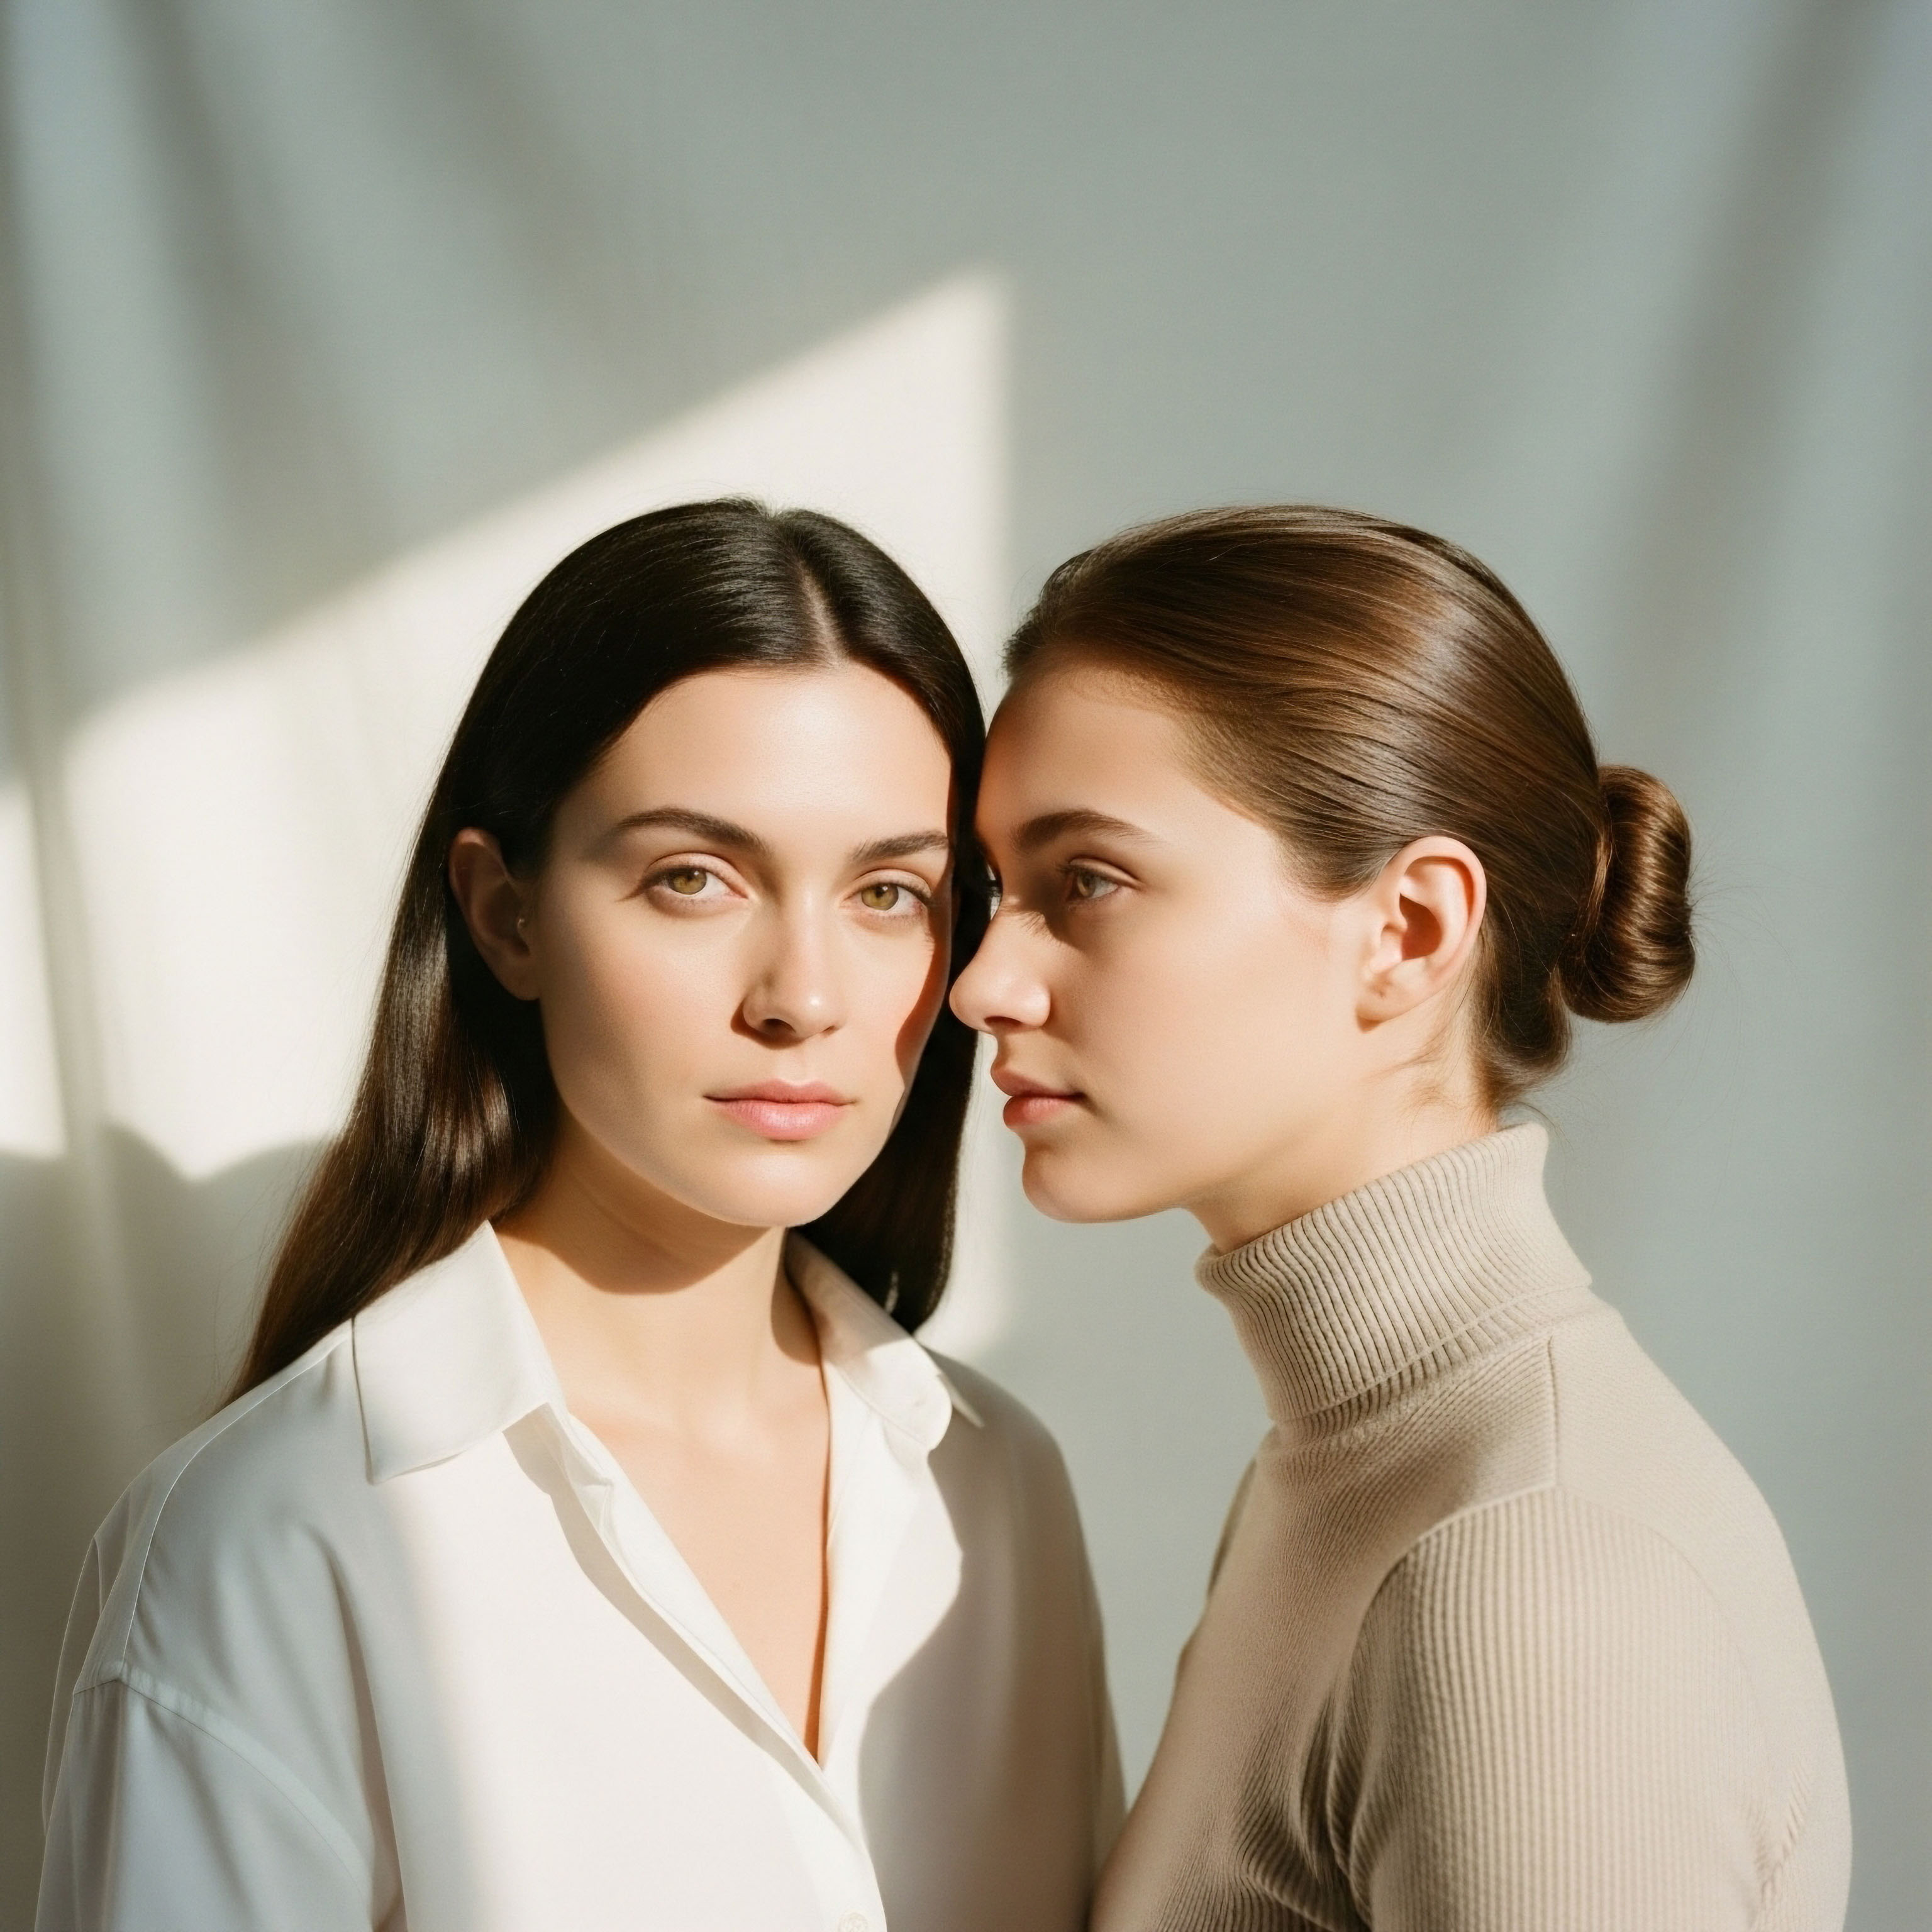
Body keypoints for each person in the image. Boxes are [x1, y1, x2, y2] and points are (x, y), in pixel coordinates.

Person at [39, 501, 1121, 1932]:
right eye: (694, 878)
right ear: (506, 915)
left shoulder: (997, 1486)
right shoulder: (273, 1537)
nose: (802, 997)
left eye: (888, 892)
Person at [952, 506, 1850, 1931]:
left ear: (1411, 931)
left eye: (1090, 882)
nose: (983, 984)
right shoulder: (1360, 1470)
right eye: (999, 892)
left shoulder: (1528, 1565)